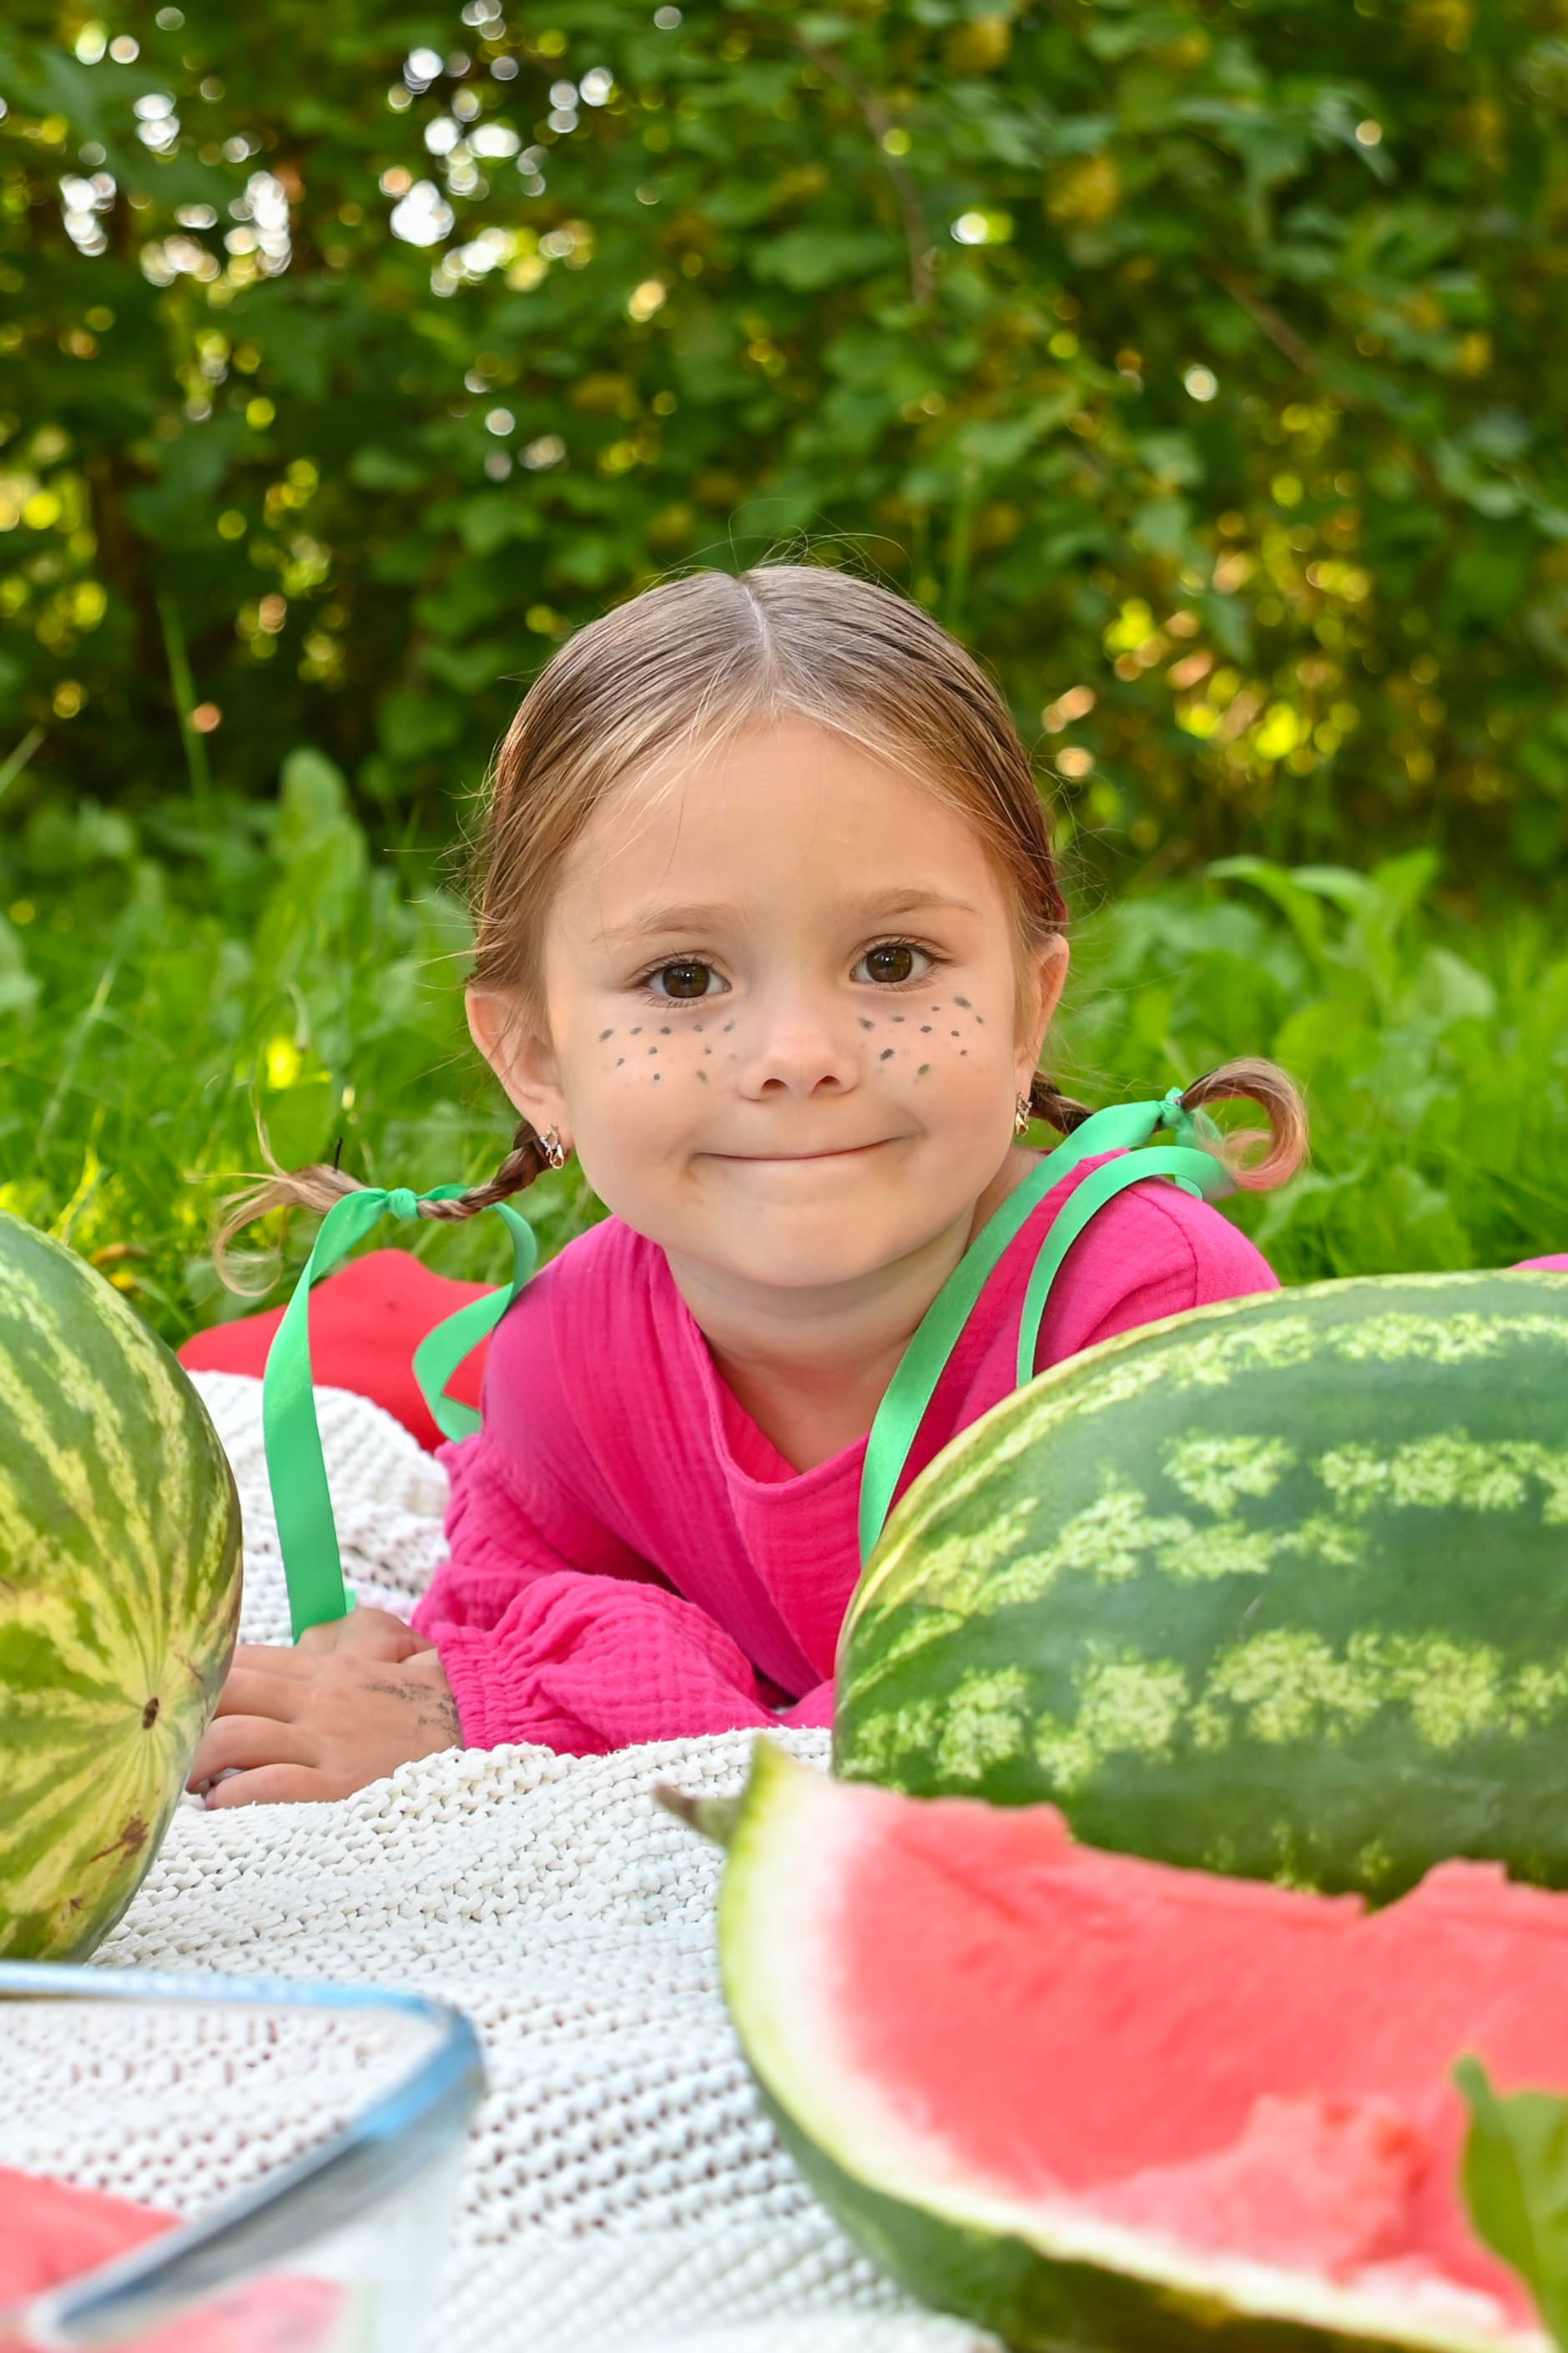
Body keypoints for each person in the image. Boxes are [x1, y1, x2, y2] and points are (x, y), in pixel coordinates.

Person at [189, 563, 1308, 1809]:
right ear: (536, 1060)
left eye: (894, 961)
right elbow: (494, 1620)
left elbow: (1048, 1707)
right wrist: (426, 1691)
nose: (797, 1056)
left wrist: (554, 1714)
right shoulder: (571, 1357)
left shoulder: (1148, 1319)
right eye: (683, 979)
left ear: (1024, 1012)